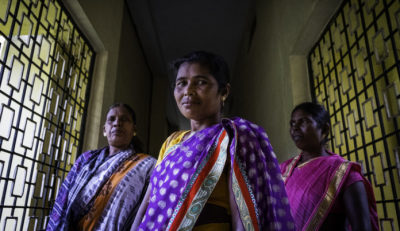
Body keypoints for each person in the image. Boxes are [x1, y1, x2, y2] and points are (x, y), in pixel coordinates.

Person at [132, 51, 294, 231]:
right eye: (181, 83)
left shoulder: (235, 136)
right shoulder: (171, 142)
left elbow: (244, 212)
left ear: (223, 91)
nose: (188, 91)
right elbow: (149, 202)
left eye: (200, 82)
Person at [47, 103, 156, 231]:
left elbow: (147, 211)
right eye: (112, 119)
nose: (117, 123)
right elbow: (63, 201)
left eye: (124, 119)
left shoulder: (148, 165)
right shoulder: (86, 160)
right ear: (105, 130)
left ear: (134, 130)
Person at [280, 102, 379, 231]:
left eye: (303, 122)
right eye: (292, 123)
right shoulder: (283, 170)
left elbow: (362, 227)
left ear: (325, 130)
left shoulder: (344, 173)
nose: (295, 128)